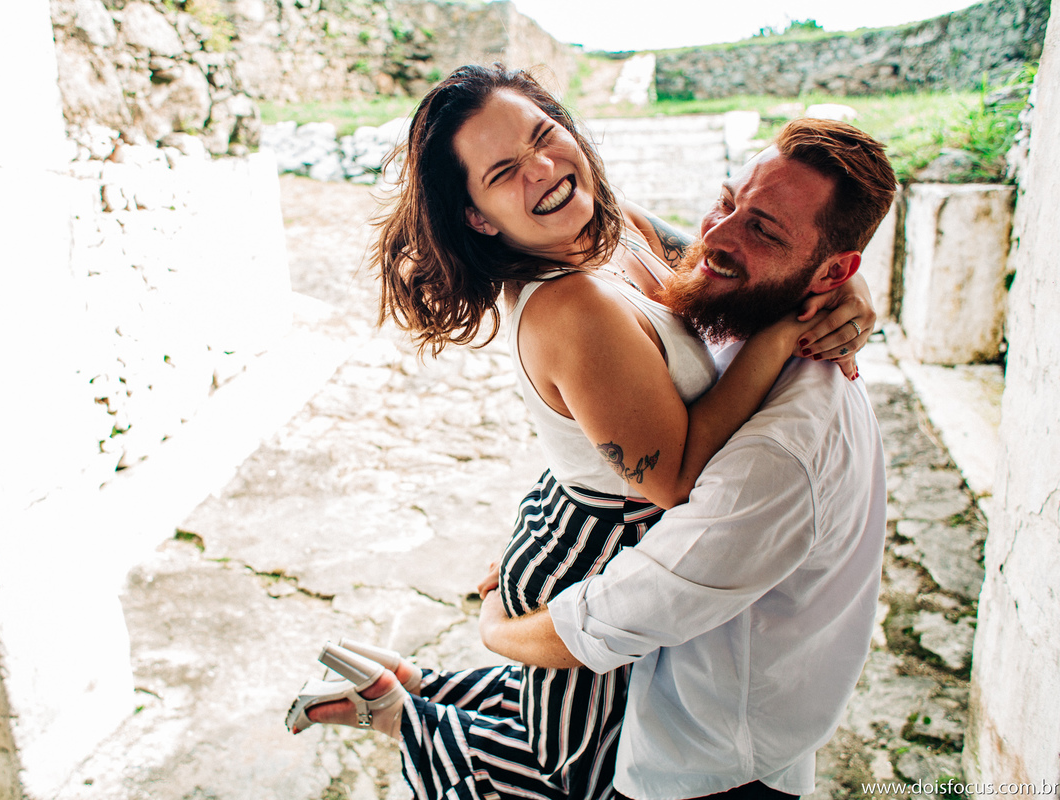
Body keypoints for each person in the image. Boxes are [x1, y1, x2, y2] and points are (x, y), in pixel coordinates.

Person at [285, 63, 886, 800]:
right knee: (566, 774)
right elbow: (674, 478)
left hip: (588, 525)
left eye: (544, 136)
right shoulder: (572, 308)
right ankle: (398, 714)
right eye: (504, 171)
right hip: (598, 544)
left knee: (572, 735)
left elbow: (717, 268)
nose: (543, 168)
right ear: (477, 215)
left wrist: (834, 285)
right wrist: (784, 334)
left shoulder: (613, 225)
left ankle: (409, 684)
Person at [477, 113, 898, 799]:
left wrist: (493, 630)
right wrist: (834, 294)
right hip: (687, 711)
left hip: (706, 763)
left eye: (762, 228)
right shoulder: (748, 307)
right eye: (728, 202)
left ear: (832, 268)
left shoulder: (779, 453)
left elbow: (607, 623)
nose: (714, 236)